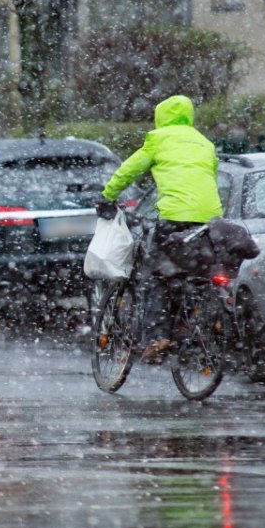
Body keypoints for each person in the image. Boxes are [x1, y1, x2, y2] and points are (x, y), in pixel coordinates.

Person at [96, 94, 224, 360]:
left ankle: (158, 337)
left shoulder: (158, 139)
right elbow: (207, 177)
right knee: (192, 274)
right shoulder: (205, 143)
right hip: (209, 220)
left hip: (175, 218)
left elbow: (128, 170)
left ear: (160, 117)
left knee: (156, 278)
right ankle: (189, 321)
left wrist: (107, 196)